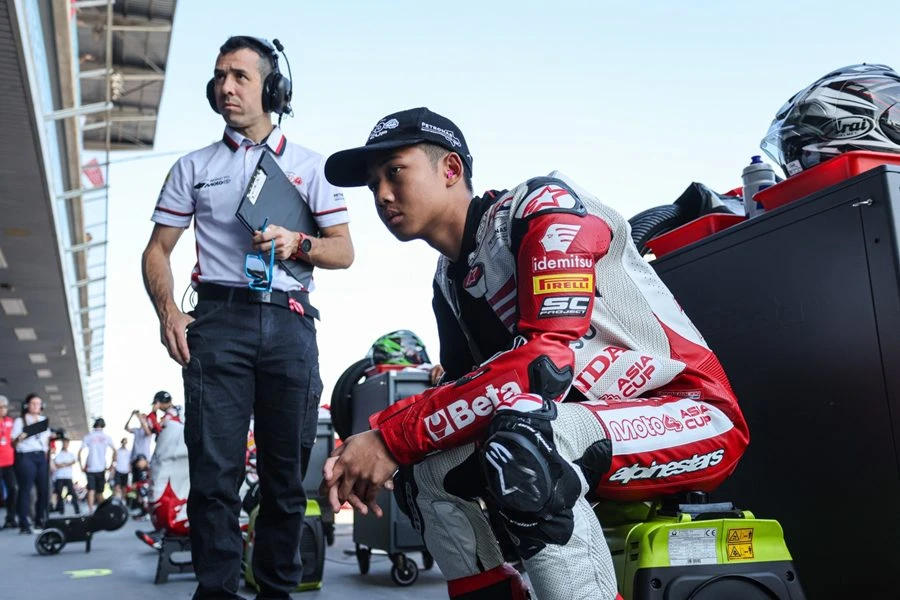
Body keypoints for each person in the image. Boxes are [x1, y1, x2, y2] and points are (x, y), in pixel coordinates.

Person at [321, 107, 750, 600]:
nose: (381, 194)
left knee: (523, 445)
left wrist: (389, 438)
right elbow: (466, 397)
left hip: (692, 412)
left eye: (394, 172)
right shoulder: (448, 279)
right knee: (425, 475)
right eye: (372, 184)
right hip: (582, 426)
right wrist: (376, 447)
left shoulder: (540, 207)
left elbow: (544, 368)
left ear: (451, 169)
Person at [141, 35, 353, 600]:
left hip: (289, 322)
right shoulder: (193, 167)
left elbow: (343, 251)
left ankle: (276, 592)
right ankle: (215, 592)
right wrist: (169, 313)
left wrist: (298, 242)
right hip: (218, 323)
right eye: (219, 76)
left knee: (285, 482)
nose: (226, 87)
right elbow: (156, 250)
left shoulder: (311, 166)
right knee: (214, 480)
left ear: (273, 88)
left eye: (239, 76)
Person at [10, 394, 50, 534]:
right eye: (33, 403)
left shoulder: (43, 420)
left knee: (44, 489)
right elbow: (13, 442)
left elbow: (46, 442)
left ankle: (40, 520)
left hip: (41, 456)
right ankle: (24, 523)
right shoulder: (20, 421)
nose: (35, 406)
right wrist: (22, 436)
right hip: (26, 455)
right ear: (27, 405)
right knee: (25, 489)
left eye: (38, 403)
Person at [79, 418, 116, 514]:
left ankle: (91, 510)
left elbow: (80, 452)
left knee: (91, 490)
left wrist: (81, 465)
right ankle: (103, 511)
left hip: (90, 467)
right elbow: (115, 451)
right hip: (101, 467)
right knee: (100, 492)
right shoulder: (106, 437)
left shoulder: (89, 436)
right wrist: (112, 464)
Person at [0, 395, 18, 529]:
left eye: (4, 407)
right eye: (0, 407)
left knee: (13, 489)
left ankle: (10, 518)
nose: (2, 409)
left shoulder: (11, 422)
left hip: (9, 463)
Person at [52, 438, 80, 515]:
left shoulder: (71, 454)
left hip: (68, 476)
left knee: (72, 492)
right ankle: (61, 509)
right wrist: (66, 464)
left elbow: (73, 461)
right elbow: (57, 464)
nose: (65, 444)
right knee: (59, 493)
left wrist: (64, 464)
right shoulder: (59, 454)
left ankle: (77, 509)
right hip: (59, 476)